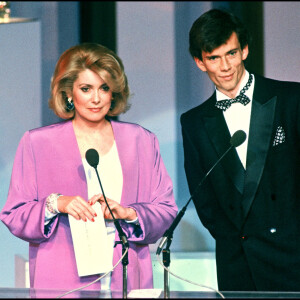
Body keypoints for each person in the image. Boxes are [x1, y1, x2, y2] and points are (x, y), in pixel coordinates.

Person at [0, 43, 178, 292]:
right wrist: (56, 204)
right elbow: (14, 214)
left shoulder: (141, 140)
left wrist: (128, 213)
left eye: (104, 88)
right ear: (69, 93)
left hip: (125, 274)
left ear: (113, 92)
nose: (96, 98)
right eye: (86, 89)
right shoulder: (37, 143)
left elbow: (166, 211)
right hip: (63, 279)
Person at [180, 8, 300, 292]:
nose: (225, 66)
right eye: (214, 58)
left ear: (244, 50)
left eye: (231, 53)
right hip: (238, 264)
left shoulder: (291, 100)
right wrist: (236, 240)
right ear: (199, 62)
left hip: (293, 258)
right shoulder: (194, 122)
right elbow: (203, 197)